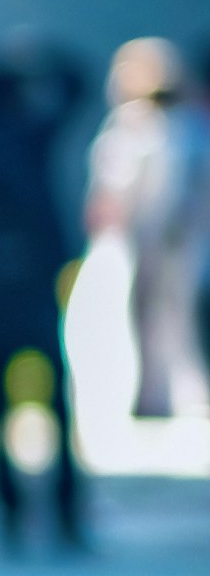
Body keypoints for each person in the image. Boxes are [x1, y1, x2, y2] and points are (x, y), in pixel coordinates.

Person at [0, 45, 86, 546]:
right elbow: (76, 85)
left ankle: (8, 504)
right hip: (35, 281)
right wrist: (40, 60)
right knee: (56, 392)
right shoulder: (32, 135)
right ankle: (65, 506)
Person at [86, 36, 210, 420]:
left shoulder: (175, 126)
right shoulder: (150, 123)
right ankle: (149, 392)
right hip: (138, 238)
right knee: (140, 311)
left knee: (171, 312)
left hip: (168, 237)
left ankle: (165, 392)